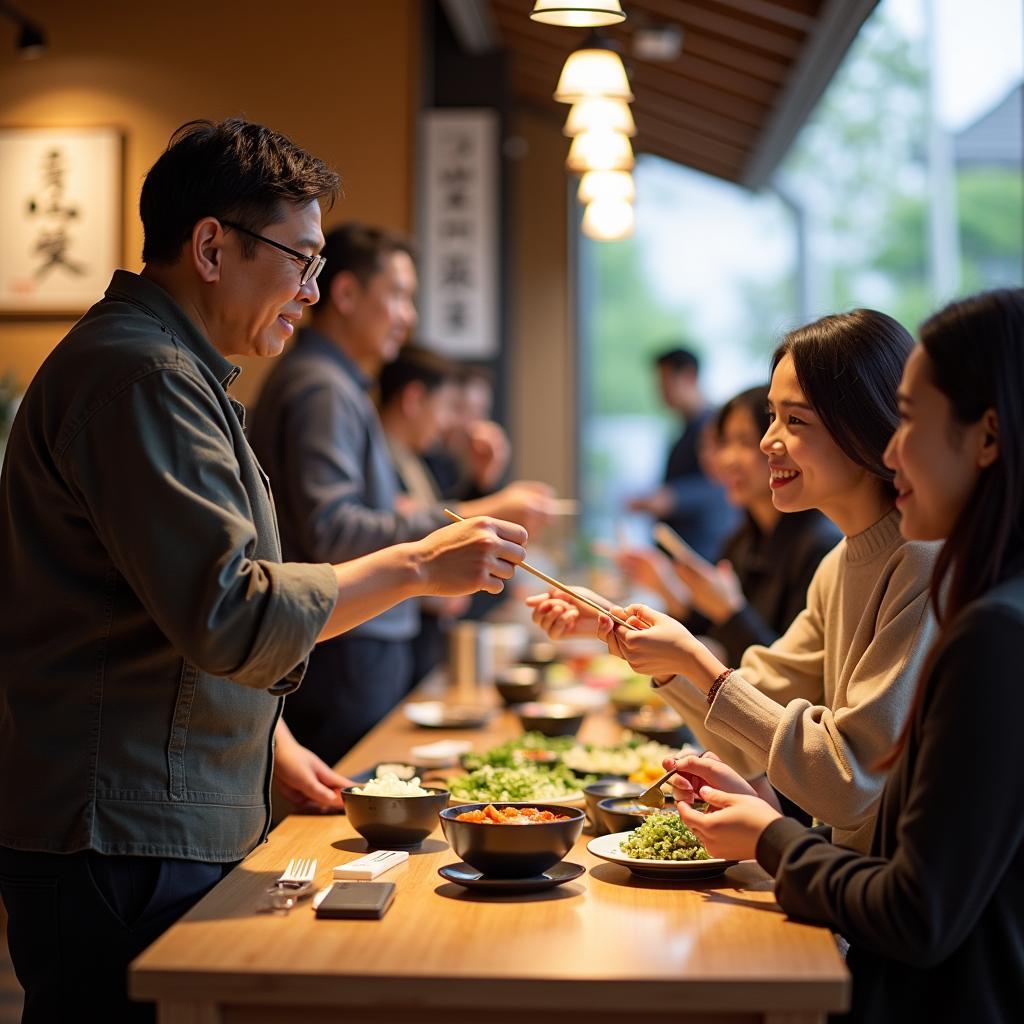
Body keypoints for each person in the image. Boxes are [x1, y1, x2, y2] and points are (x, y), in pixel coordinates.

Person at [0, 118, 527, 1024]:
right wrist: (414, 564)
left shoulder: (174, 368)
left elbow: (157, 608)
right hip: (121, 825)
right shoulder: (143, 375)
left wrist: (265, 738)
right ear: (211, 246)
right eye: (302, 261)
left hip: (152, 808)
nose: (312, 291)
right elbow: (230, 609)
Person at [666, 289, 1024, 1023]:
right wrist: (669, 661)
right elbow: (755, 716)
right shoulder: (873, 569)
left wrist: (773, 839)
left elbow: (901, 882)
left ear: (987, 438)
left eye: (911, 419)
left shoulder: (971, 607)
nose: (896, 449)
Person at [531, 310, 939, 853]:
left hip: (883, 911)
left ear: (862, 425)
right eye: (772, 417)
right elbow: (747, 739)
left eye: (795, 422)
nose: (769, 442)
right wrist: (625, 632)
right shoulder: (839, 565)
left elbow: (846, 785)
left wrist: (694, 660)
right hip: (837, 885)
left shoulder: (919, 563)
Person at [249, 223, 551, 765]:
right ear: (345, 295)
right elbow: (333, 531)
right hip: (344, 649)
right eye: (399, 296)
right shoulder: (322, 386)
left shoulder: (337, 382)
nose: (409, 316)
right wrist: (477, 514)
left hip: (353, 644)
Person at [618, 386, 841, 668]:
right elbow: (711, 641)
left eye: (744, 442)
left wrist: (730, 610)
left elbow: (794, 675)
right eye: (724, 444)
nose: (726, 460)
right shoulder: (742, 540)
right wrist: (664, 586)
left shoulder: (820, 546)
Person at [378, 343, 471, 680]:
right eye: (446, 407)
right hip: (381, 653)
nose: (447, 422)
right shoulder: (383, 462)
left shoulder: (411, 459)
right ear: (413, 400)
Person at [627, 346, 738, 560]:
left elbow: (720, 486)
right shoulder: (685, 430)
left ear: (689, 376)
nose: (660, 392)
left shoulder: (713, 426)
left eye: (665, 383)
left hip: (703, 549)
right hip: (683, 552)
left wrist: (672, 497)